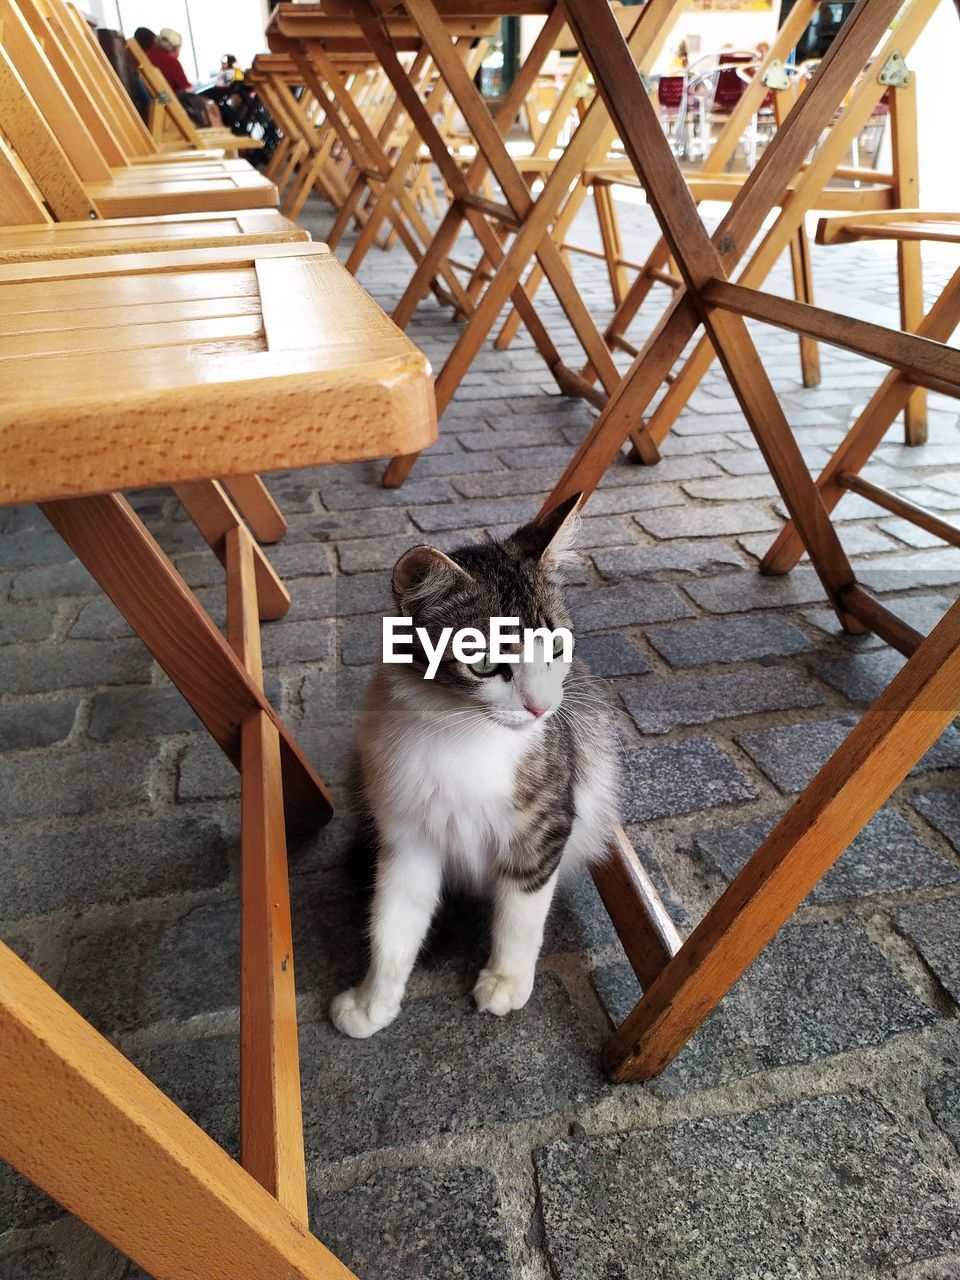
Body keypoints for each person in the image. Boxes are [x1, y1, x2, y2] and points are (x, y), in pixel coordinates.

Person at [146, 26, 190, 93]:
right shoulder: (171, 61)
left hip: (160, 99)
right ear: (175, 47)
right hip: (173, 99)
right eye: (179, 47)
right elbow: (187, 89)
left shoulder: (148, 55)